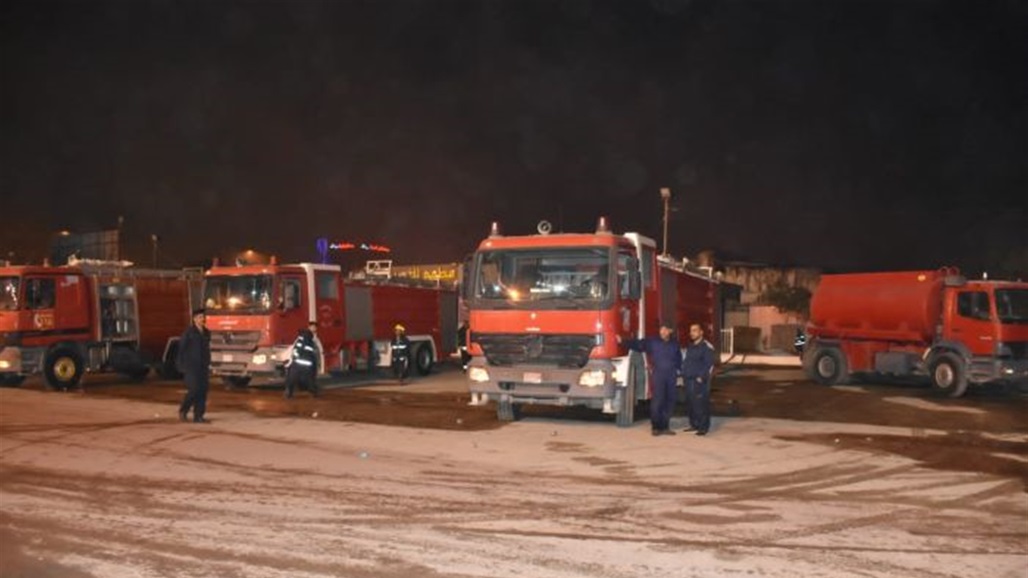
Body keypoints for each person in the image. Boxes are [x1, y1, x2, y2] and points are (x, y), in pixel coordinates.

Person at [619, 321, 682, 436]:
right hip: (659, 375)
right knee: (657, 401)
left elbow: (679, 358)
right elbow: (638, 344)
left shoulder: (674, 344)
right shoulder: (653, 342)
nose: (662, 331)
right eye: (661, 329)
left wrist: (679, 370)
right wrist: (623, 341)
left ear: (670, 331)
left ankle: (665, 426)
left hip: (671, 375)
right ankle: (656, 427)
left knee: (670, 400)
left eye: (665, 329)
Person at [177, 308, 212, 423]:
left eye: (203, 317)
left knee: (203, 391)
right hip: (191, 366)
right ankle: (183, 410)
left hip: (203, 366)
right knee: (194, 389)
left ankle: (199, 415)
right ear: (194, 319)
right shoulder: (189, 333)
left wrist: (209, 363)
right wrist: (181, 365)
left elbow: (207, 350)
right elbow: (181, 349)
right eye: (199, 317)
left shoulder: (206, 333)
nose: (202, 319)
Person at [681, 323, 716, 436]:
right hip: (688, 379)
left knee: (701, 404)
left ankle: (703, 427)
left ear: (701, 332)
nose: (692, 333)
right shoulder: (691, 346)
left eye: (695, 330)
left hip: (699, 381)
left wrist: (701, 376)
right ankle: (694, 424)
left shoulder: (706, 347)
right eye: (691, 331)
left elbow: (709, 364)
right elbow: (687, 361)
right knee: (691, 404)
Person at [284, 322, 320, 399]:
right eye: (314, 327)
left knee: (293, 378)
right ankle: (314, 392)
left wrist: (295, 357)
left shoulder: (302, 337)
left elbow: (297, 348)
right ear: (310, 328)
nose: (315, 329)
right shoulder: (309, 338)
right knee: (309, 379)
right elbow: (307, 349)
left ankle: (288, 393)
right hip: (305, 362)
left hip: (298, 362)